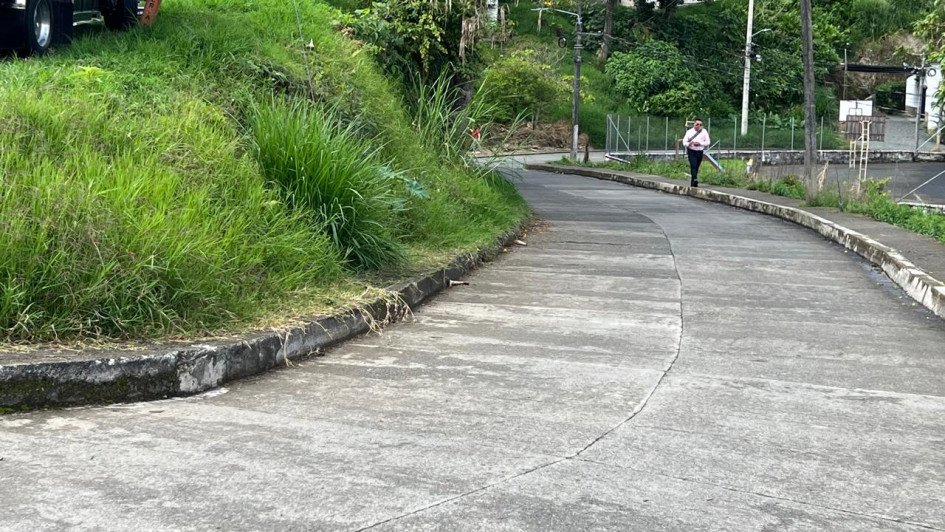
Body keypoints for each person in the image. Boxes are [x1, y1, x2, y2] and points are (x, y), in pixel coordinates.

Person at [682, 119, 710, 187]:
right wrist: (689, 144)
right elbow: (684, 142)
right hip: (691, 151)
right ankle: (695, 179)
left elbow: (708, 142)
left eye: (700, 125)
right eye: (697, 124)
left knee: (697, 166)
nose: (699, 126)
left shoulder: (704, 132)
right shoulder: (689, 132)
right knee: (693, 165)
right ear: (694, 124)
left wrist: (700, 143)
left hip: (700, 151)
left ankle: (693, 181)